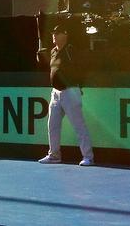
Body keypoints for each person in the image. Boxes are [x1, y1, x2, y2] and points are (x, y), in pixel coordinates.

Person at [38, 25, 94, 166]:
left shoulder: (70, 50)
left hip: (70, 92)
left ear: (65, 35)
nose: (54, 36)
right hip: (55, 93)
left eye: (57, 33)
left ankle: (88, 157)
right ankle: (54, 155)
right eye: (53, 33)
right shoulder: (52, 51)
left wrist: (79, 85)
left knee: (78, 125)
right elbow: (53, 68)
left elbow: (82, 68)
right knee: (52, 125)